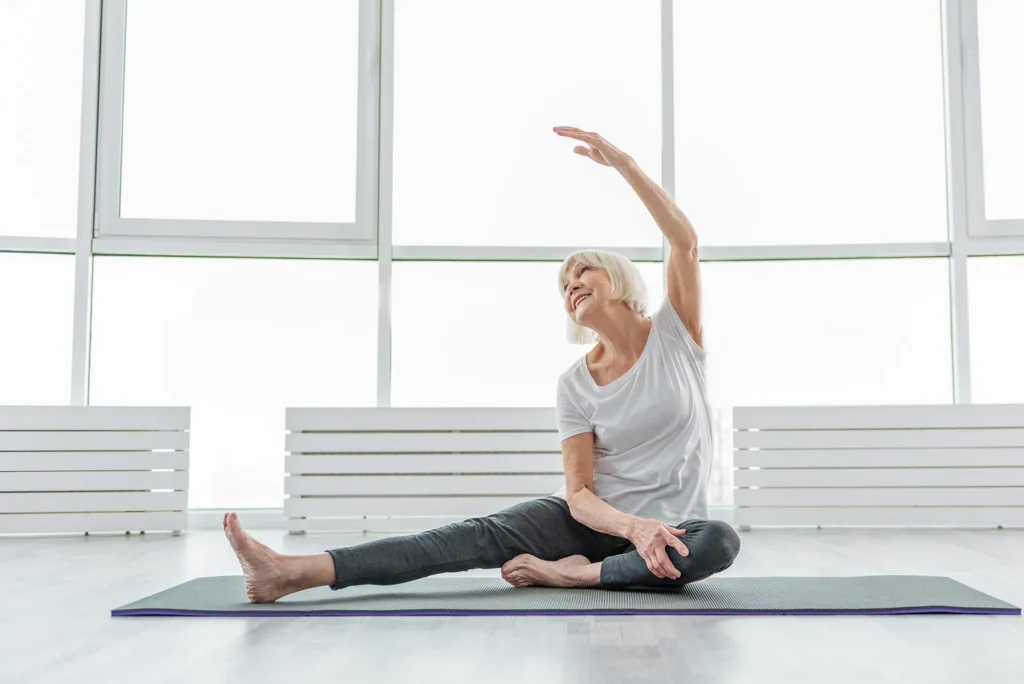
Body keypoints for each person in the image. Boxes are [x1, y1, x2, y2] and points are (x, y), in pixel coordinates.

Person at [222, 126, 740, 603]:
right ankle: (291, 571)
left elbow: (684, 242)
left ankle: (568, 573)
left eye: (584, 271)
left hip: (674, 532)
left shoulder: (676, 336)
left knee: (719, 541)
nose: (572, 284)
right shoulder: (575, 384)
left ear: (619, 278)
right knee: (468, 537)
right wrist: (631, 529)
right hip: (590, 525)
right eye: (564, 285)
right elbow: (579, 494)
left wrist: (623, 163)